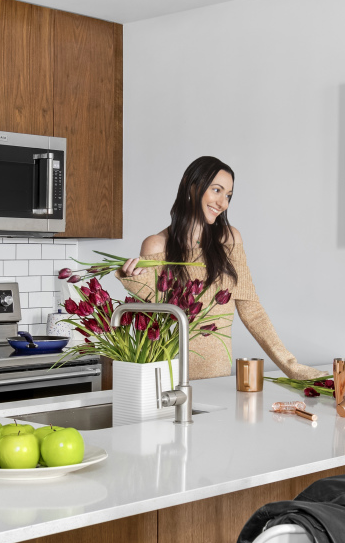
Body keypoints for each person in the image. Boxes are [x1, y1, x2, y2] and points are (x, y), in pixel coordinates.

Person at [118, 156, 325, 381]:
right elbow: (156, 319)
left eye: (228, 196)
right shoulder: (157, 245)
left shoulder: (229, 239)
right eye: (216, 190)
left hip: (217, 375)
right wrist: (136, 282)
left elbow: (252, 311)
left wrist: (291, 366)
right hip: (169, 374)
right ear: (190, 185)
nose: (223, 203)